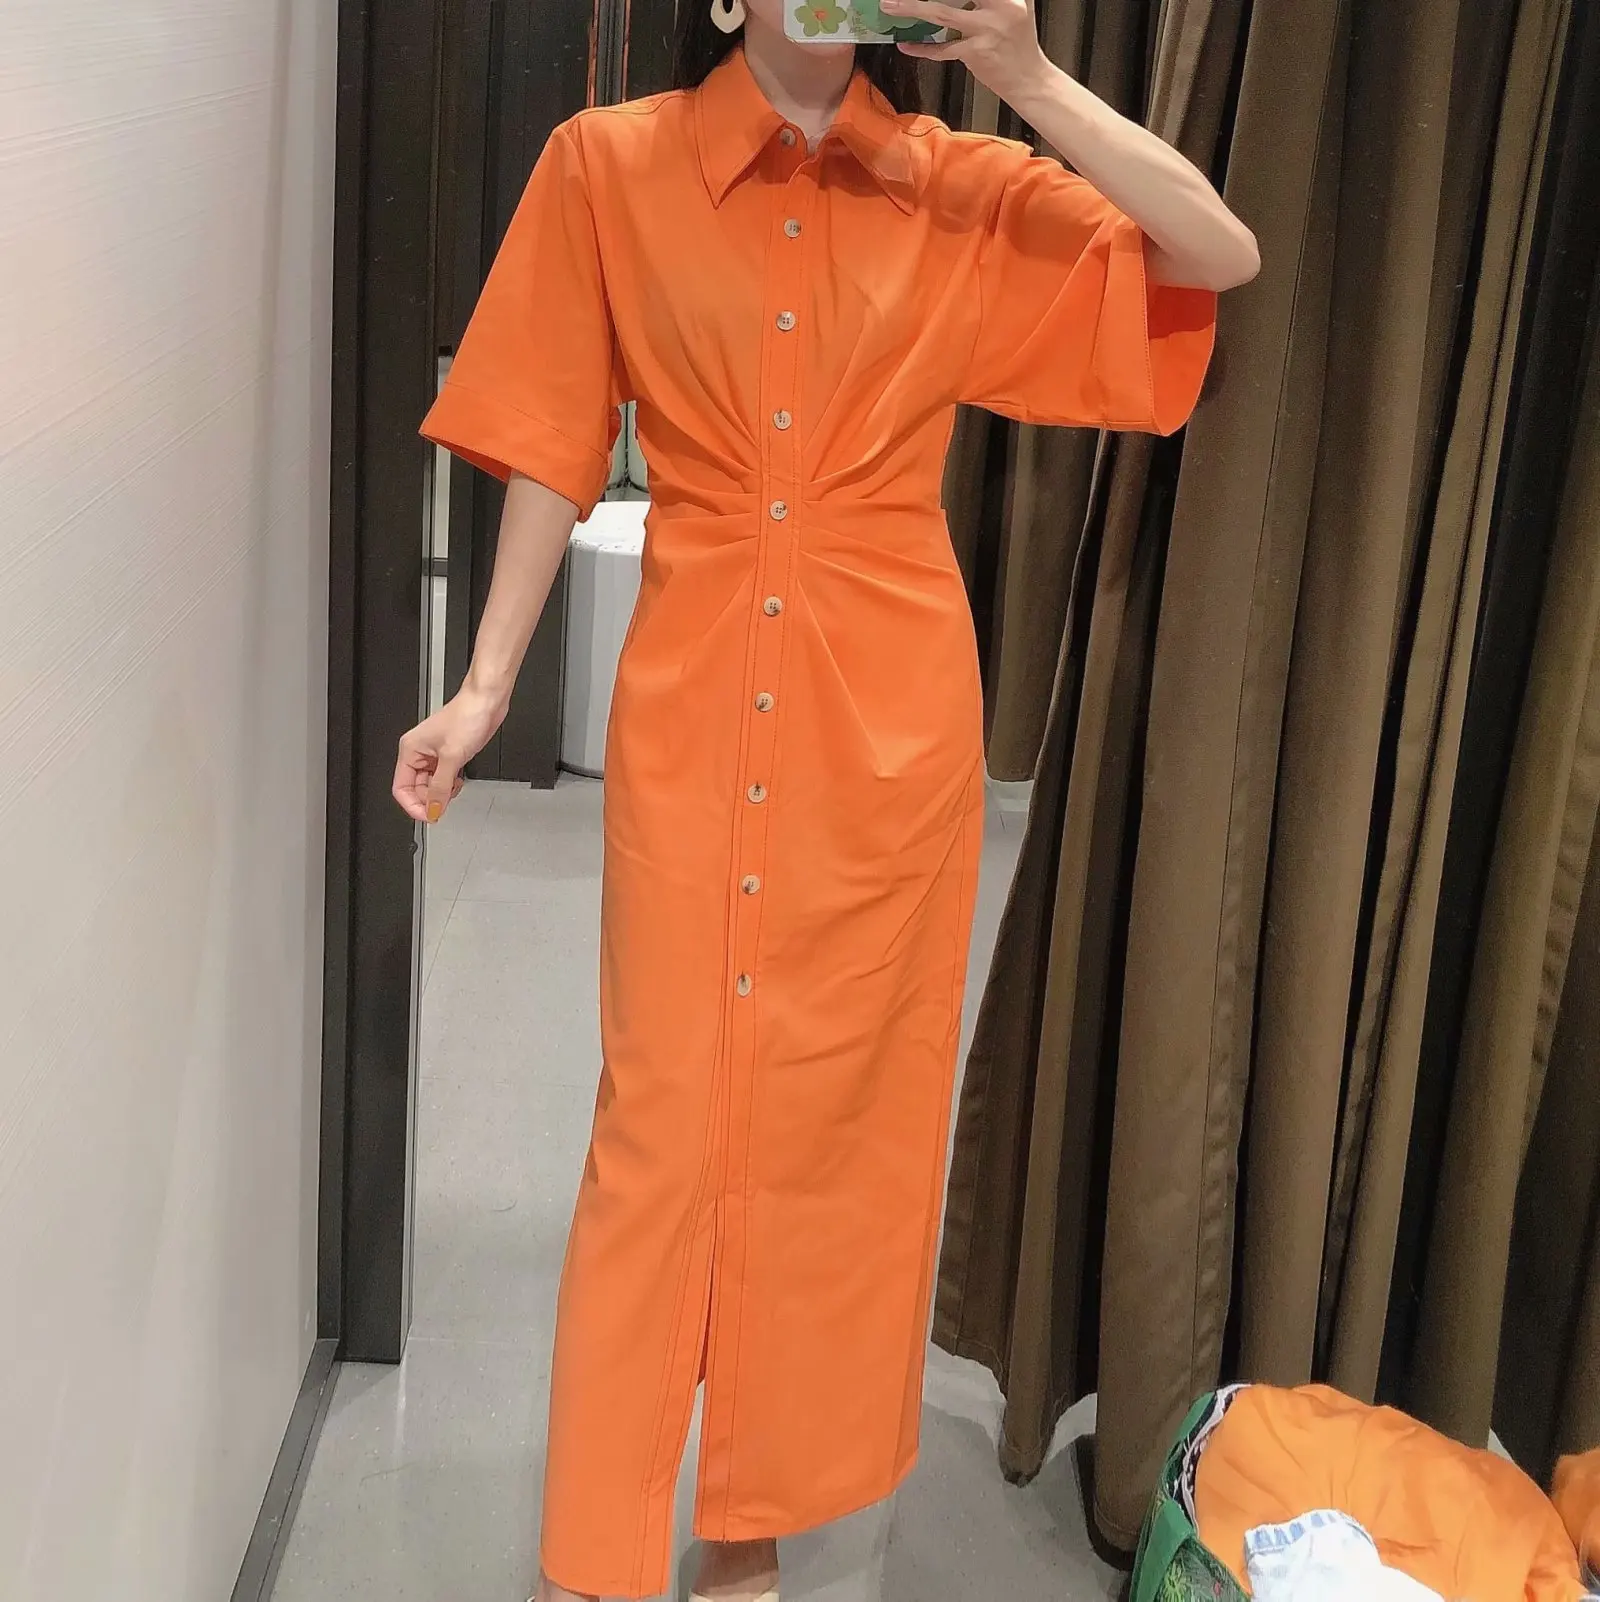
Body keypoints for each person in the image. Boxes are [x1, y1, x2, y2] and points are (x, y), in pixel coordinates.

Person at [394, 0, 1257, 1596]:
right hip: (695, 694)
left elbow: (1215, 252)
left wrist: (1024, 74)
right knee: (657, 1125)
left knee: (829, 1136)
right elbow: (551, 438)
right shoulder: (608, 165)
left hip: (886, 730)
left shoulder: (952, 182)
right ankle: (597, 1543)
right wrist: (488, 681)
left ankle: (750, 1528)